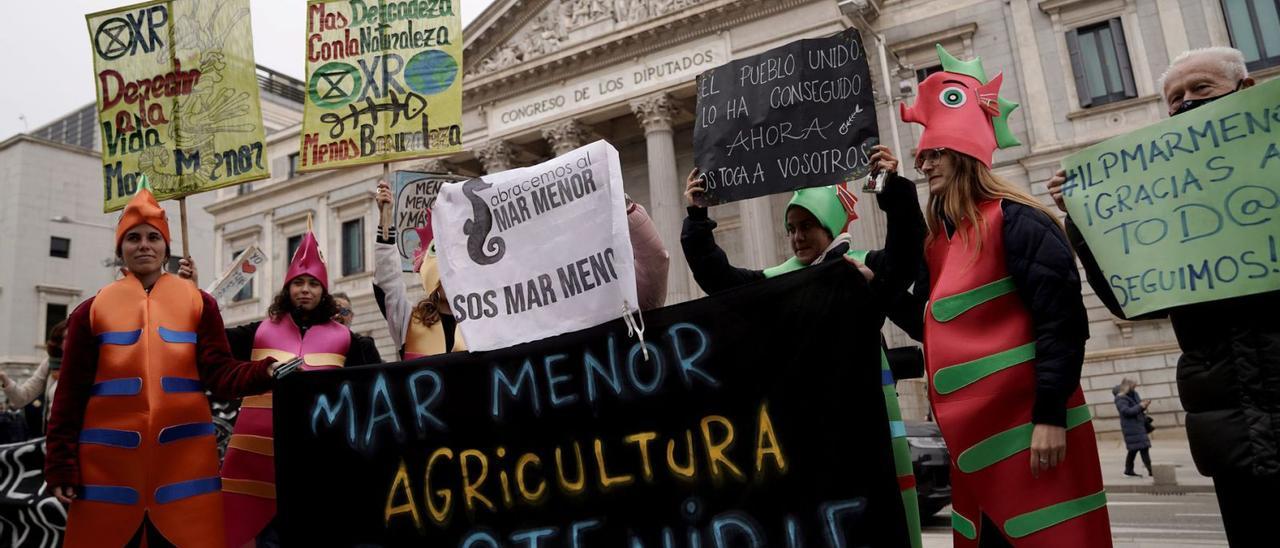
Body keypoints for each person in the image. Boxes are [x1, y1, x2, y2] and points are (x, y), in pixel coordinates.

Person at [1045, 46, 1276, 546]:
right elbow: (1132, 300)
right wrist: (1085, 221)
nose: (1185, 104)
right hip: (1234, 435)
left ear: (1246, 92)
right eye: (1174, 98)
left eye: (1201, 89)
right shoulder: (1166, 198)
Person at [894, 45, 1111, 547]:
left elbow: (1061, 323)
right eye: (922, 155)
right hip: (975, 445)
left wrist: (1050, 416)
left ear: (963, 154)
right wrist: (875, 288)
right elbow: (927, 323)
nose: (924, 164)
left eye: (933, 153)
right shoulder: (939, 242)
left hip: (1033, 433)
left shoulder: (1022, 220)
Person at [681, 145, 927, 548]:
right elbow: (720, 279)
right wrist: (697, 218)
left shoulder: (865, 269)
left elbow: (906, 251)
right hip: (806, 431)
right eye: (790, 228)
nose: (796, 238)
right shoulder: (779, 280)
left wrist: (892, 187)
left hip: (869, 425)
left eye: (805, 226)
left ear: (828, 225)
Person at [44, 187, 278, 548]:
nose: (144, 245)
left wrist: (265, 372)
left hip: (184, 470)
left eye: (154, 237)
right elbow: (69, 396)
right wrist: (60, 464)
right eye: (133, 238)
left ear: (166, 249)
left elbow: (220, 373)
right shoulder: (89, 310)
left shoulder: (201, 304)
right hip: (106, 473)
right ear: (120, 249)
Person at [371, 180, 672, 360]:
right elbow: (388, 284)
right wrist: (385, 219)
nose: (453, 284)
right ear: (432, 284)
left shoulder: (497, 314)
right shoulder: (408, 323)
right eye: (445, 279)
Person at [214, 228, 382, 548]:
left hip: (320, 465)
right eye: (298, 283)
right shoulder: (258, 331)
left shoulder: (349, 341)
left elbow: (372, 392)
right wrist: (195, 298)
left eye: (313, 283)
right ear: (288, 288)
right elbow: (213, 346)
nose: (305, 290)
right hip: (260, 463)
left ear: (323, 290)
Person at [1, 319, 67, 433]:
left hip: (79, 436)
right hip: (52, 434)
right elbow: (21, 398)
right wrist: (4, 378)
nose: (68, 341)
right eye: (64, 338)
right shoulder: (50, 364)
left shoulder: (90, 363)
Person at [1113, 378, 1153, 478]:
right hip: (1131, 427)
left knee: (1134, 449)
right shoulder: (1120, 398)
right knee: (1143, 448)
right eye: (1134, 385)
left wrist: (1144, 405)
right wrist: (1140, 406)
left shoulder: (1134, 394)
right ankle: (1151, 471)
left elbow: (1137, 408)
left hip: (1138, 425)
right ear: (1128, 386)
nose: (1135, 387)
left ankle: (1128, 470)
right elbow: (1126, 412)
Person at [330, 291, 383, 363]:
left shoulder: (364, 346)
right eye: (333, 311)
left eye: (343, 311)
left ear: (351, 316)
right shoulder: (318, 347)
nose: (336, 315)